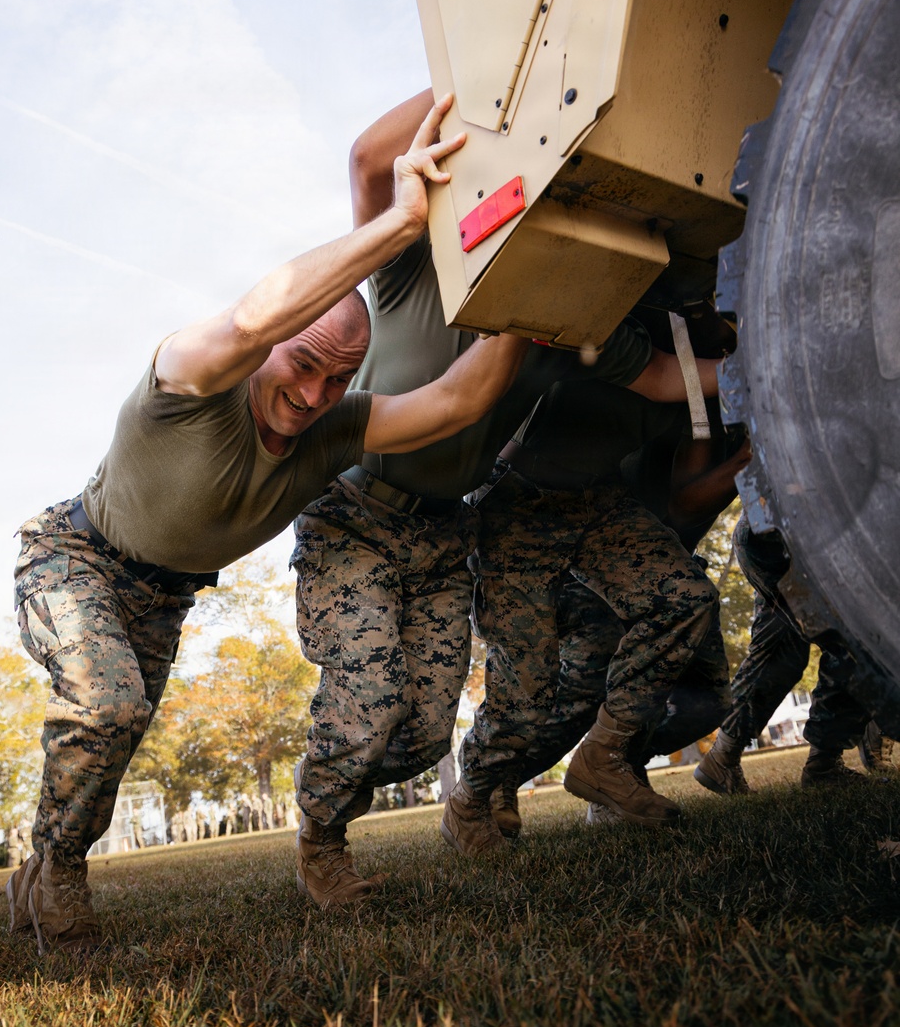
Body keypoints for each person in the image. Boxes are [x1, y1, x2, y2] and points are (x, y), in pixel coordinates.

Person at [5, 97, 528, 953]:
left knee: (116, 732)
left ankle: (57, 855)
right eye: (304, 363)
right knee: (106, 706)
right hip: (73, 558)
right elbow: (252, 320)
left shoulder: (329, 433)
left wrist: (521, 287)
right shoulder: (192, 378)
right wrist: (399, 225)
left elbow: (459, 398)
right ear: (271, 349)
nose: (314, 394)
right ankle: (55, 865)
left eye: (339, 377)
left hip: (163, 597)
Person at [292, 92, 725, 907]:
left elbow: (664, 377)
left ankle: (448, 777)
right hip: (359, 510)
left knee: (420, 733)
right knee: (370, 705)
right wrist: (482, 72)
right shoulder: (422, 261)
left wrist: (763, 363)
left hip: (445, 530)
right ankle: (323, 836)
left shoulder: (569, 320)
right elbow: (365, 161)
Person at [444, 346, 729, 856]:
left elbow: (689, 486)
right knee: (527, 688)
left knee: (686, 599)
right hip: (519, 497)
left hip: (599, 499)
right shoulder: (632, 312)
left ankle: (606, 754)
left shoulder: (711, 356)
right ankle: (472, 798)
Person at [695, 516, 875, 793]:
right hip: (802, 532)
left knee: (781, 649)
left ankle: (722, 756)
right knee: (855, 642)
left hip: (761, 526)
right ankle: (824, 766)